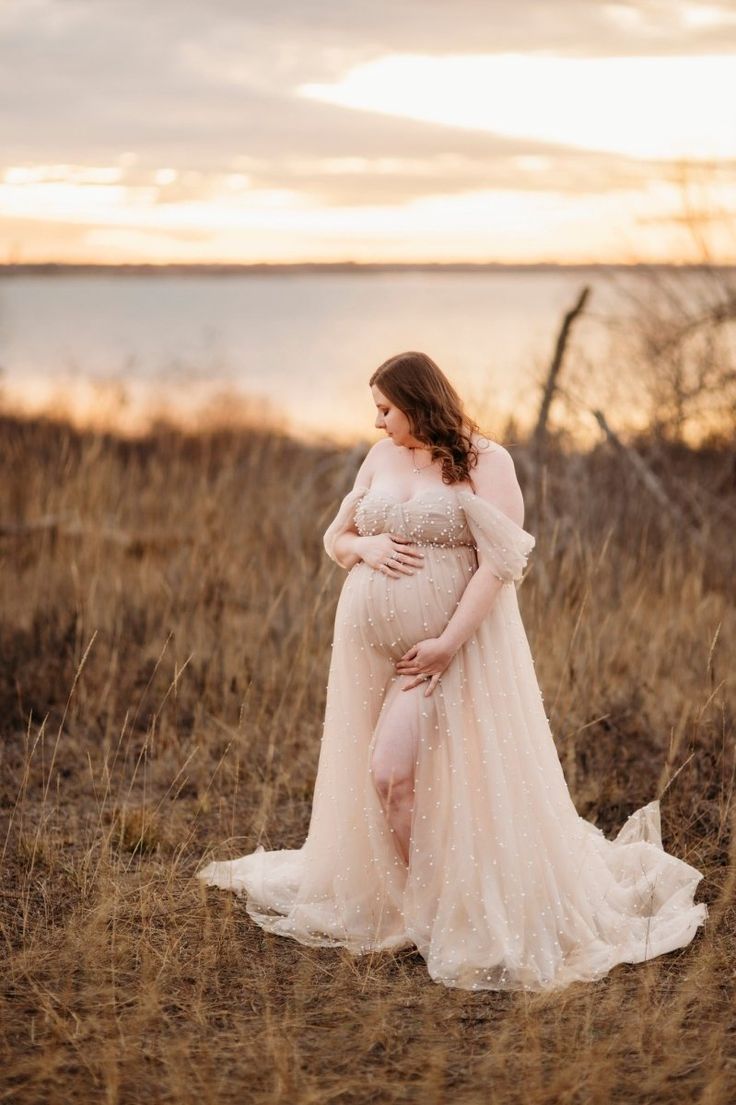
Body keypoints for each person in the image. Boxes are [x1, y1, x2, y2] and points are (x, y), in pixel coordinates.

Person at [196, 350, 708, 992]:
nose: (379, 422)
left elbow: (498, 567)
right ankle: (420, 900)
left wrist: (444, 644)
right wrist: (366, 545)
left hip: (445, 654)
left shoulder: (487, 463)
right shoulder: (380, 458)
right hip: (367, 653)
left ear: (418, 401)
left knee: (392, 775)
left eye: (386, 409)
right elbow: (336, 540)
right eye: (375, 411)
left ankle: (436, 912)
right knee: (392, 777)